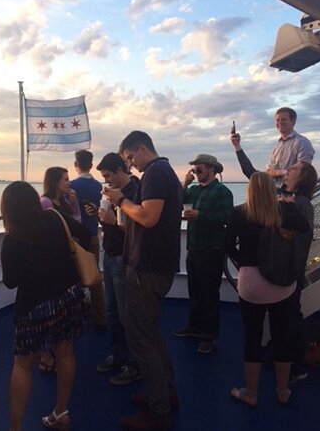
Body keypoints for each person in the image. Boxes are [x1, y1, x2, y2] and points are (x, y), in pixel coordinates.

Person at [103, 131, 182, 430]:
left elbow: (148, 218)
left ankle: (159, 409)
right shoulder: (165, 172)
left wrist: (121, 199)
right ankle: (166, 393)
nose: (131, 165)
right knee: (151, 334)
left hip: (147, 268)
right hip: (155, 266)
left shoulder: (155, 172)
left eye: (130, 158)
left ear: (141, 148)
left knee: (140, 336)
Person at [0, 181, 90, 431]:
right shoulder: (54, 217)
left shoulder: (12, 239)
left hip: (34, 308)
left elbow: (9, 282)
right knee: (65, 354)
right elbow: (83, 234)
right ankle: (61, 413)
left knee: (22, 365)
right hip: (68, 297)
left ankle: (15, 428)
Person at [223, 172, 312, 407]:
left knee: (252, 339)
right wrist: (290, 208)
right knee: (281, 338)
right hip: (281, 284)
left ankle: (251, 394)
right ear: (272, 190)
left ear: (250, 190)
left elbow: (227, 244)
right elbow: (304, 228)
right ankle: (282, 391)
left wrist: (242, 263)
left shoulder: (239, 213)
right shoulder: (281, 211)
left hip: (251, 284)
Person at [88, 152, 142, 386]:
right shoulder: (112, 194)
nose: (107, 181)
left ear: (121, 170)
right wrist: (101, 218)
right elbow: (112, 224)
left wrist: (112, 220)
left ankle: (134, 364)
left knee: (126, 315)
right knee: (111, 312)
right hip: (109, 256)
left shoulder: (134, 194)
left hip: (123, 258)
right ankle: (118, 355)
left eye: (109, 176)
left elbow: (138, 229)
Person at [173, 154, 233, 354]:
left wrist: (199, 215)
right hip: (194, 248)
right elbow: (177, 203)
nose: (196, 173)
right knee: (195, 291)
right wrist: (185, 183)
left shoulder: (222, 191)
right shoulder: (193, 190)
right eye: (194, 170)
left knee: (209, 295)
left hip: (212, 249)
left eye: (199, 169)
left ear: (211, 169)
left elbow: (226, 217)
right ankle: (194, 326)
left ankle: (209, 335)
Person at [38, 166, 82, 376]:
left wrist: (74, 205)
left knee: (61, 310)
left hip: (66, 261)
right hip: (50, 265)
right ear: (55, 181)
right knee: (50, 311)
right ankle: (46, 355)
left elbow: (77, 224)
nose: (69, 183)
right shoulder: (45, 203)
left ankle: (58, 350)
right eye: (65, 179)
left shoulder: (63, 202)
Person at [278, 161, 317, 384]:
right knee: (283, 317)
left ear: (301, 178)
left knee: (291, 316)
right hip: (279, 268)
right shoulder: (283, 198)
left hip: (291, 270)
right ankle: (283, 360)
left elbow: (304, 238)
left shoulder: (303, 205)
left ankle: (297, 365)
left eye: (293, 169)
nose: (288, 170)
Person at [230, 107, 315, 186]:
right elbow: (271, 171)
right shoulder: (277, 147)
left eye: (283, 119)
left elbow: (304, 170)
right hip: (276, 193)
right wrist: (237, 145)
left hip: (292, 195)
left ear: (293, 121)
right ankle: (238, 148)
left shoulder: (302, 142)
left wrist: (277, 173)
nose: (280, 123)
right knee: (254, 176)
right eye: (277, 120)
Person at [70, 150, 107, 330]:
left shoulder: (70, 186)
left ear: (76, 165)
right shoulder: (98, 186)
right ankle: (100, 317)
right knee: (95, 278)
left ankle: (75, 317)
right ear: (91, 165)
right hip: (92, 235)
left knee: (73, 279)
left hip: (75, 239)